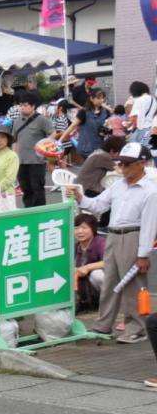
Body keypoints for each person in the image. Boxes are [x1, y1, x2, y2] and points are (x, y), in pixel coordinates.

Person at [66, 143, 157, 344]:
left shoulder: (151, 191)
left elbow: (150, 225)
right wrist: (81, 197)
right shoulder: (118, 185)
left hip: (134, 235)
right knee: (110, 283)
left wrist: (144, 254)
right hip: (113, 235)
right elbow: (98, 205)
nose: (122, 167)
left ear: (141, 164)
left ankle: (137, 328)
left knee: (133, 285)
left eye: (127, 164)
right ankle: (102, 324)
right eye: (120, 163)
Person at [12, 91, 53, 208]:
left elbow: (53, 134)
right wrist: (15, 158)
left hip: (37, 161)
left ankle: (39, 214)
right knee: (26, 189)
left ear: (33, 106)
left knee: (37, 189)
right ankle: (28, 213)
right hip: (21, 161)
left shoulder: (42, 120)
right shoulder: (17, 121)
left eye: (25, 105)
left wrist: (44, 146)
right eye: (21, 105)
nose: (22, 108)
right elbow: (15, 140)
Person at [72, 213, 106, 309]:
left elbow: (108, 262)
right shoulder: (76, 247)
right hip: (85, 286)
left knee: (97, 274)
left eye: (84, 228)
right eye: (76, 228)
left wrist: (87, 268)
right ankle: (84, 302)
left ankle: (108, 303)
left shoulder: (100, 242)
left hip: (104, 284)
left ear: (93, 229)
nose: (80, 231)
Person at [74, 89, 110, 160]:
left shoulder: (106, 112)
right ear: (91, 99)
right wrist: (60, 140)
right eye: (98, 98)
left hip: (99, 147)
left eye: (103, 98)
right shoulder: (83, 112)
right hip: (86, 149)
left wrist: (106, 130)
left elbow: (108, 126)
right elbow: (72, 126)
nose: (101, 100)